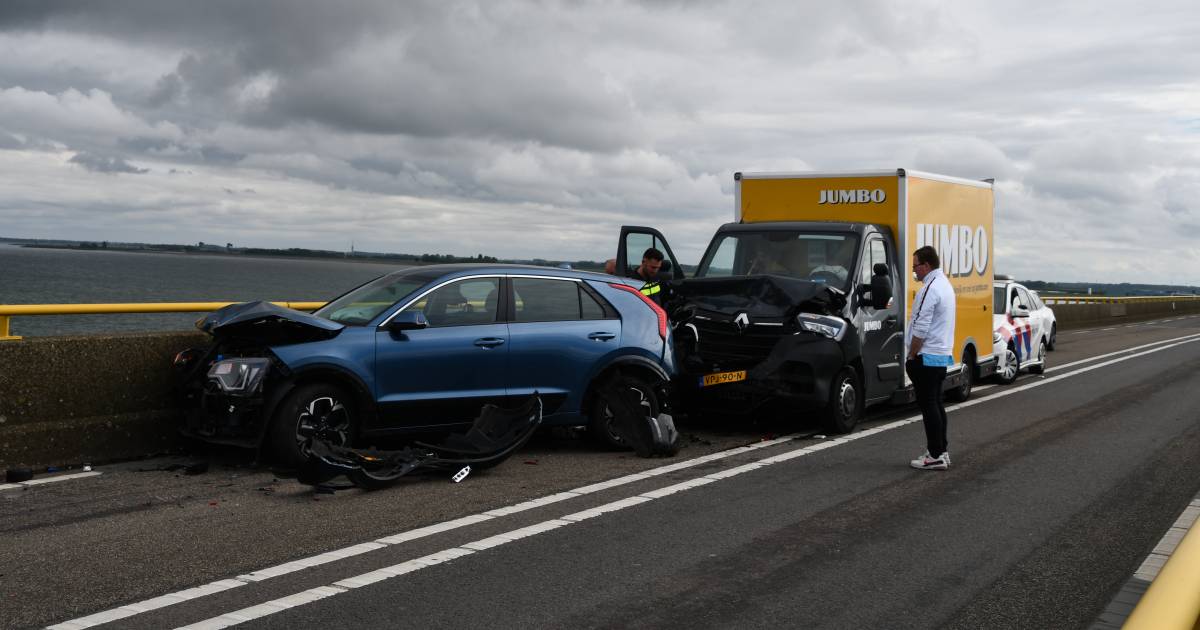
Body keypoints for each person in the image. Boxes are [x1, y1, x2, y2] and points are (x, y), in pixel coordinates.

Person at [906, 245, 956, 471]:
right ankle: (941, 450)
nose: (914, 271)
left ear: (926, 265)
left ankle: (935, 455)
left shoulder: (930, 288)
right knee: (936, 403)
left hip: (926, 355)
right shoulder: (945, 285)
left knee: (929, 406)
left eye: (915, 266)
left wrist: (912, 353)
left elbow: (921, 326)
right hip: (941, 354)